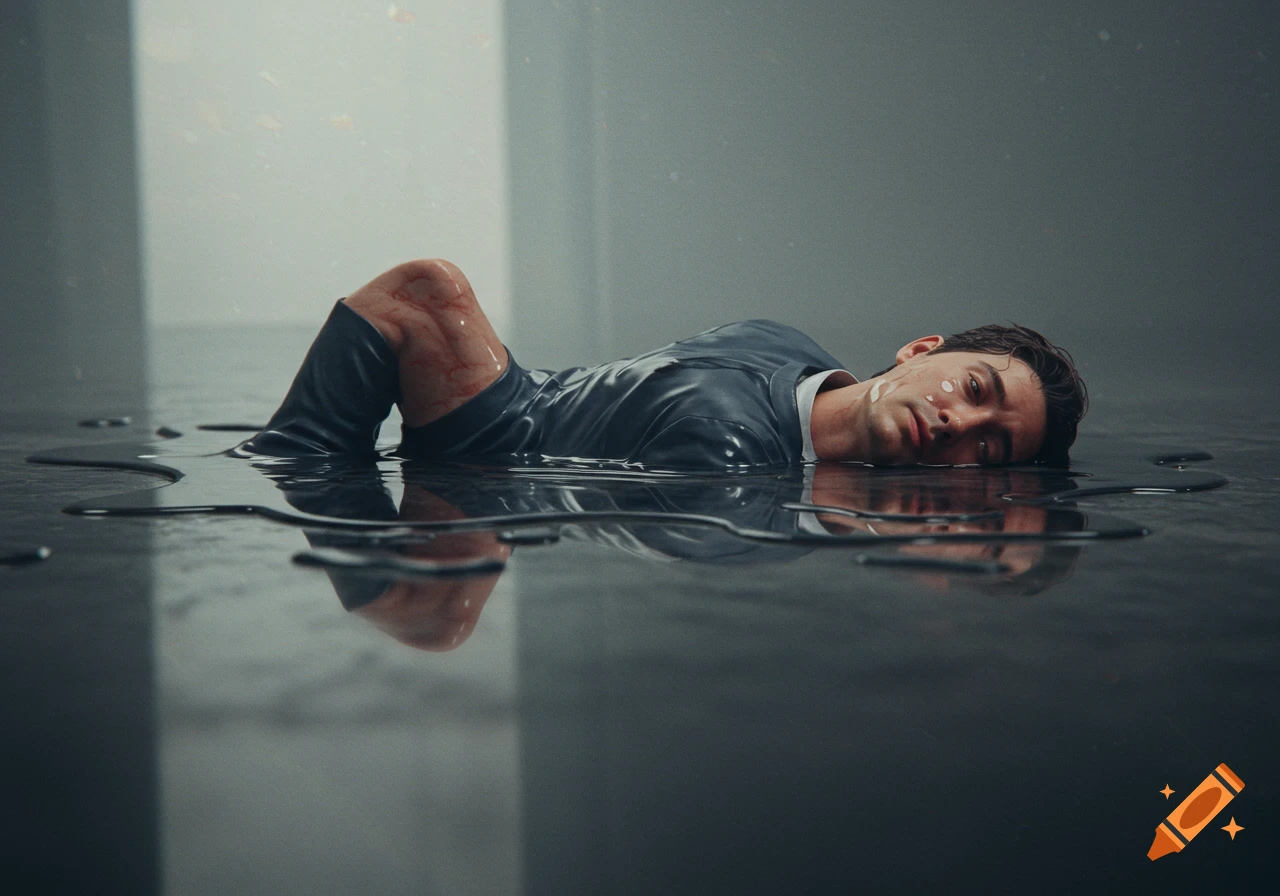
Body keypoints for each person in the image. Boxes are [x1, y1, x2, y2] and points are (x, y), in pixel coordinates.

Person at [240, 258, 1087, 469]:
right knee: (423, 288)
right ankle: (294, 461)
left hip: (505, 440)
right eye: (977, 390)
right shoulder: (788, 344)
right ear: (922, 349)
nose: (961, 423)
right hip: (537, 396)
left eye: (990, 446)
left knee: (426, 290)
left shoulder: (741, 473)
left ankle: (293, 471)